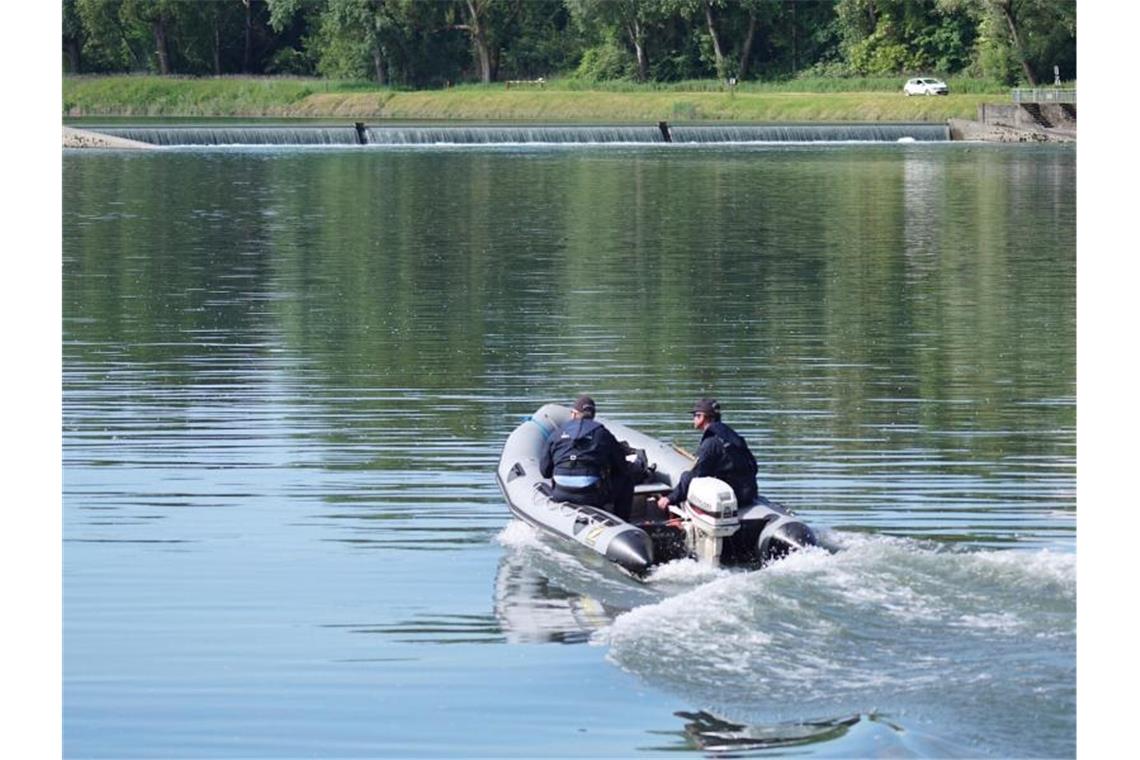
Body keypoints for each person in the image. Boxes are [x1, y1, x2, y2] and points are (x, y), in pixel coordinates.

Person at [540, 395, 634, 520]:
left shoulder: (556, 433)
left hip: (560, 494)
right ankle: (621, 521)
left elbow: (545, 471)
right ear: (593, 415)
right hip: (589, 496)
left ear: (573, 414)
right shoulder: (603, 434)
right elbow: (621, 467)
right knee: (627, 479)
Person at [656, 398, 758, 512]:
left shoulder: (710, 444)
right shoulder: (733, 437)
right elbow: (753, 465)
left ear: (702, 417)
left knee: (686, 476)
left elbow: (695, 475)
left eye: (695, 415)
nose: (693, 419)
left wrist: (670, 498)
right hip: (750, 493)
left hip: (734, 498)